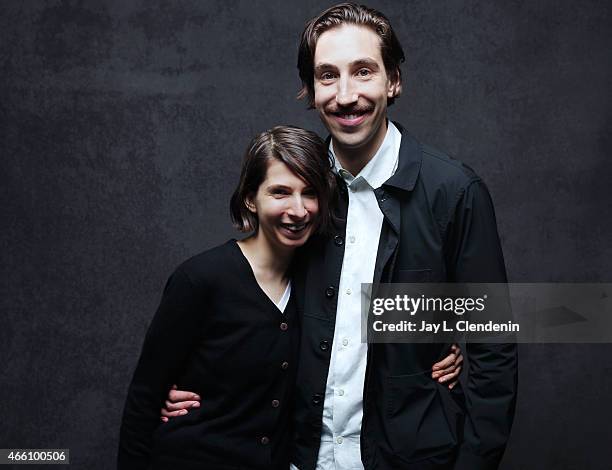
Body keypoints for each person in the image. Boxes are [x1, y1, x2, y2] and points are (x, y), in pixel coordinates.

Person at [164, 3, 516, 470]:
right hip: (296, 456)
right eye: (327, 76)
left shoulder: (453, 191)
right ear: (310, 91)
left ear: (393, 81)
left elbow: (494, 351)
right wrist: (201, 382)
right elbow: (255, 302)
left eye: (363, 72)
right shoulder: (299, 197)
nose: (345, 95)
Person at [118, 126, 336, 470]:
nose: (298, 210)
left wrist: (445, 347)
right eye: (280, 192)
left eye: (310, 193)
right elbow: (144, 398)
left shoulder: (319, 283)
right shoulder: (201, 279)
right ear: (251, 197)